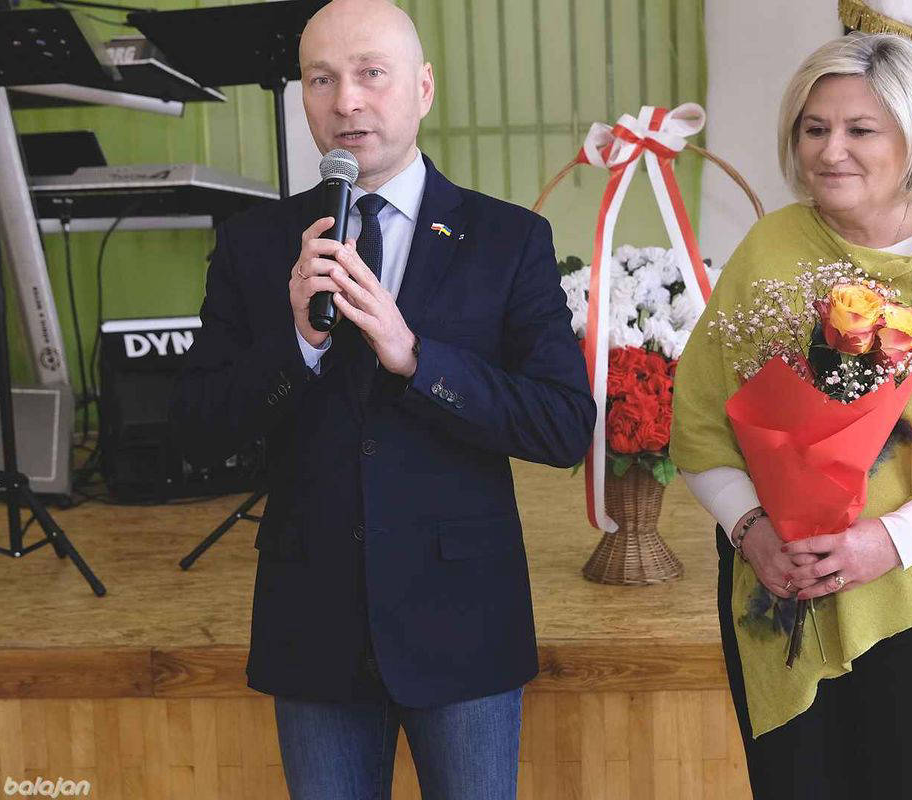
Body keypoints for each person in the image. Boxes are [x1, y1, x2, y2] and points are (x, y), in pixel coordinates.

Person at [171, 1, 595, 797]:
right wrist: (298, 344)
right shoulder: (253, 244)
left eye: (371, 74)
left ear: (423, 88)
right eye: (320, 79)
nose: (347, 101)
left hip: (462, 621)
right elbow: (194, 430)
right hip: (313, 622)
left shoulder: (507, 239)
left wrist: (416, 358)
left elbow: (563, 425)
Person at [671, 33, 912, 800]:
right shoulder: (770, 247)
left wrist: (889, 540)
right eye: (813, 128)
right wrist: (750, 531)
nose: (830, 151)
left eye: (859, 130)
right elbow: (701, 418)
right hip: (786, 592)